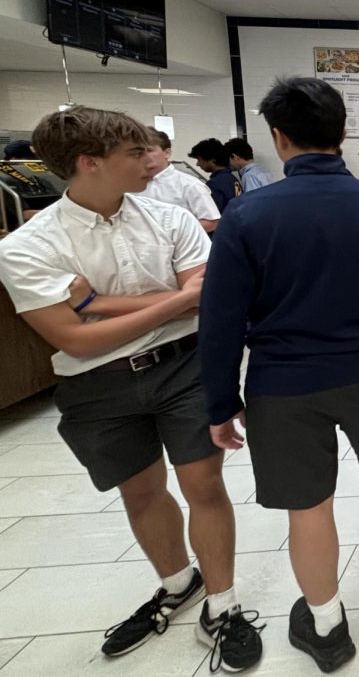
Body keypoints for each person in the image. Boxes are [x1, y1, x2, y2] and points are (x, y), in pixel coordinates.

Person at [0, 107, 261, 669]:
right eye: (135, 154)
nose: (152, 161)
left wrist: (95, 303)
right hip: (97, 386)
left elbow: (207, 290)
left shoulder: (170, 218)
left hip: (185, 368)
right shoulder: (27, 245)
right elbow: (76, 342)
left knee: (203, 485)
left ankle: (224, 603)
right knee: (140, 491)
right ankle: (176, 583)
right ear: (90, 164)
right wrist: (173, 300)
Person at [200, 78, 359, 672]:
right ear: (343, 134)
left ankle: (327, 626)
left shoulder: (247, 213)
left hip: (282, 384)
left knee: (309, 506)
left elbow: (222, 319)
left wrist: (219, 402)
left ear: (279, 138)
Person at [141, 129, 221, 232]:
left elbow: (211, 221)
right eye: (138, 152)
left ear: (167, 153)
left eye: (149, 150)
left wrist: (175, 234)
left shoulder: (190, 185)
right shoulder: (131, 185)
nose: (143, 156)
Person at [188, 138, 242, 213]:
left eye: (199, 160)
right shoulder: (232, 178)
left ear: (212, 160)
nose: (197, 164)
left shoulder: (214, 184)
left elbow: (213, 213)